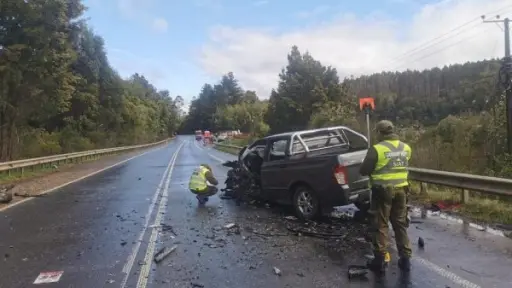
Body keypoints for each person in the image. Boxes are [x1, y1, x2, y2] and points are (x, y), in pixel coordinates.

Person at [359, 120, 412, 273]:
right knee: (400, 223)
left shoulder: (377, 149)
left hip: (382, 192)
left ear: (380, 133)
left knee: (380, 224)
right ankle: (405, 259)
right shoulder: (406, 148)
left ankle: (380, 259)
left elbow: (364, 170)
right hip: (402, 189)